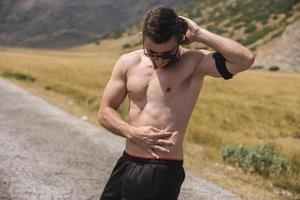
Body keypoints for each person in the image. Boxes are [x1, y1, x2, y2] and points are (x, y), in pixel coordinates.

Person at [97, 5, 255, 200]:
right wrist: (131, 132)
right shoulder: (127, 62)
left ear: (180, 39)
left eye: (167, 54)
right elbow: (104, 112)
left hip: (162, 169)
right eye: (152, 52)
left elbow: (245, 59)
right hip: (127, 161)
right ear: (142, 36)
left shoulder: (194, 63)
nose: (160, 60)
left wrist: (199, 34)